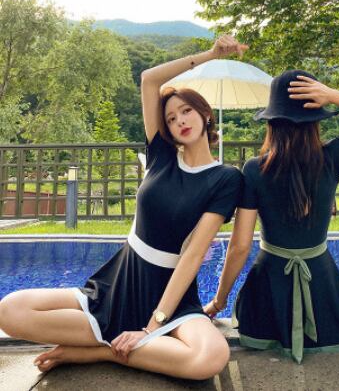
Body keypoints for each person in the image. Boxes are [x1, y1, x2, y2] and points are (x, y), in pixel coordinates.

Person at [0, 35, 247, 379]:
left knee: (211, 358)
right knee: (10, 311)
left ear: (205, 114)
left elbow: (193, 256)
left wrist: (152, 325)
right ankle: (121, 344)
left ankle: (105, 352)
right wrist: (210, 54)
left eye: (186, 111)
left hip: (171, 296)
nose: (180, 121)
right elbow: (149, 79)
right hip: (119, 283)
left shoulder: (225, 178)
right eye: (171, 118)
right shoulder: (161, 155)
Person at [204, 69, 339, 363]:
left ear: (272, 122)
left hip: (268, 290)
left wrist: (219, 301)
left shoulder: (255, 169)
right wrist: (332, 95)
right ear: (316, 121)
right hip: (322, 286)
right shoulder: (333, 157)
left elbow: (239, 246)